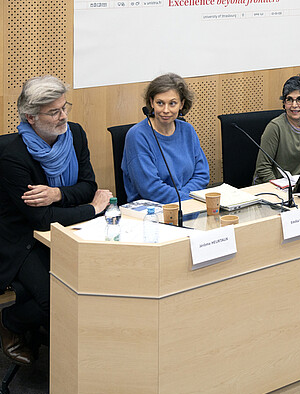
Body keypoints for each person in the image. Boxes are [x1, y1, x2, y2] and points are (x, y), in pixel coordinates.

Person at [0, 76, 112, 365]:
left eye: (64, 107)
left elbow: (89, 186)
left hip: (68, 226)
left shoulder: (75, 134)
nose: (64, 116)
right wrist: (92, 209)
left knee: (103, 280)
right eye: (54, 112)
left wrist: (57, 193)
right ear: (31, 118)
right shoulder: (13, 156)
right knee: (57, 298)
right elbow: (40, 218)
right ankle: (11, 321)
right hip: (23, 239)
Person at [122, 73, 210, 203]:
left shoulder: (187, 130)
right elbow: (151, 189)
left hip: (189, 206)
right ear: (151, 103)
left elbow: (202, 175)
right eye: (160, 103)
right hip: (152, 213)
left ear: (181, 104)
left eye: (172, 103)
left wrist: (183, 198)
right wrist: (185, 199)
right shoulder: (137, 136)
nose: (166, 110)